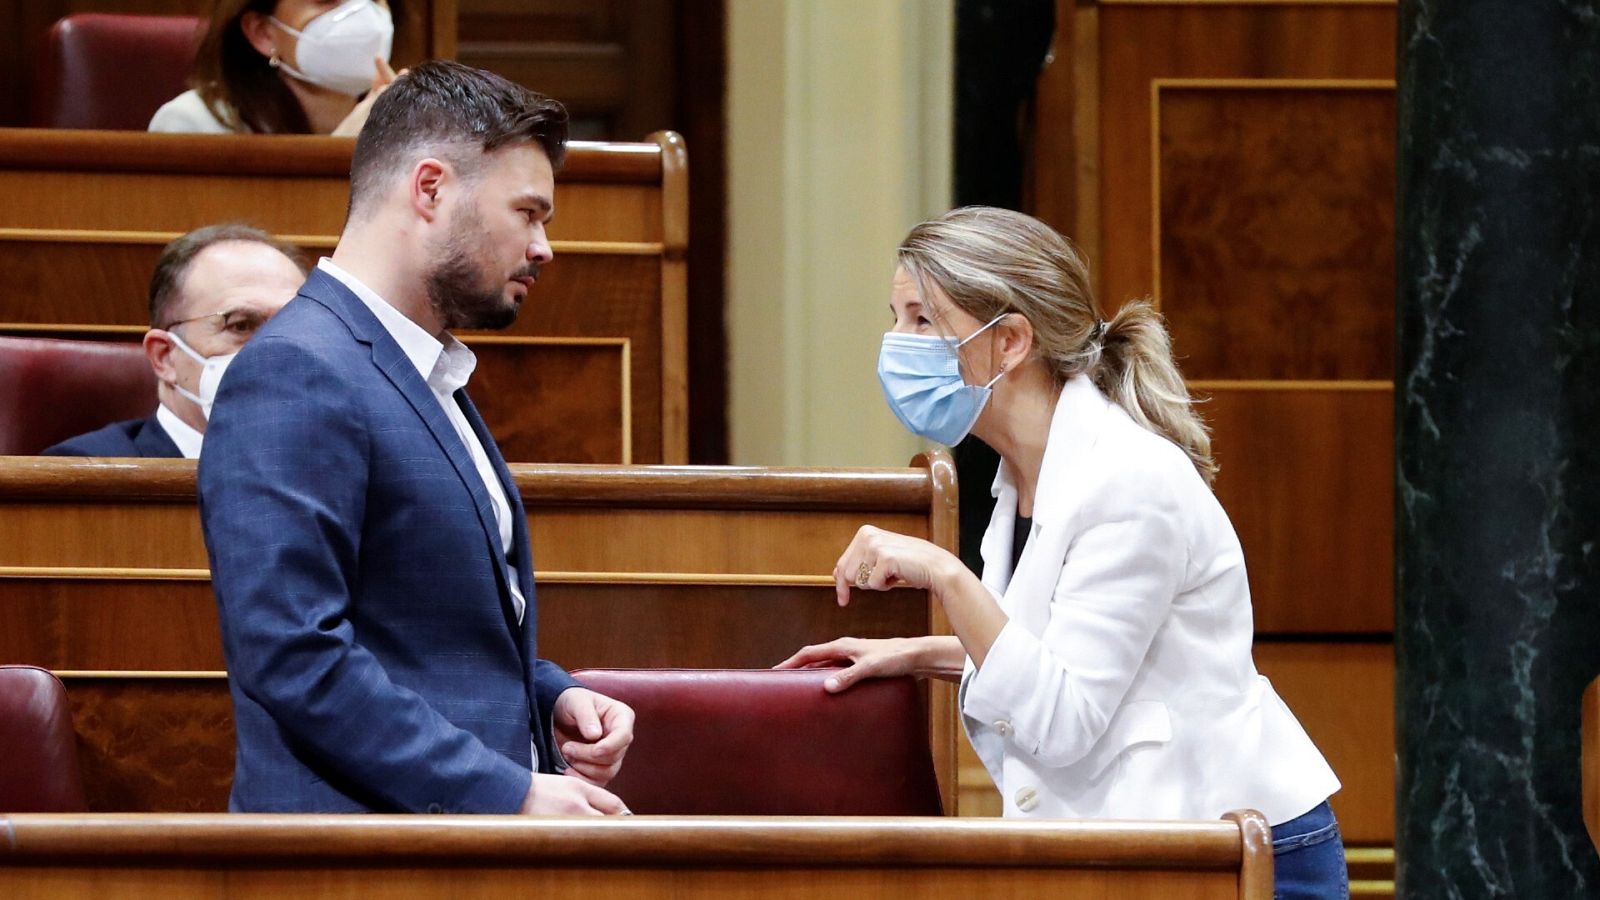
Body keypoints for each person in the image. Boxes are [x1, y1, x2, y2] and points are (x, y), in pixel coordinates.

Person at [778, 207, 1347, 897]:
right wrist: (916, 652)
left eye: (923, 321)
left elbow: (1066, 714)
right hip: (1152, 846)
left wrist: (947, 576)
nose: (897, 343)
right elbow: (1060, 649)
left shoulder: (1128, 480)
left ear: (1011, 339)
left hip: (1242, 858)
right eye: (895, 317)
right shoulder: (1024, 473)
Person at [197, 60, 634, 815]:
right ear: (429, 188)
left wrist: (550, 695)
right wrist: (509, 792)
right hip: (357, 863)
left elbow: (425, 632)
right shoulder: (297, 371)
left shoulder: (417, 368)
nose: (543, 248)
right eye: (528, 213)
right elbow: (296, 657)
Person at [43, 224, 306, 458]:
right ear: (165, 356)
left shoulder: (336, 467)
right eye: (241, 326)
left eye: (292, 324)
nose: (274, 348)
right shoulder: (86, 474)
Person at [150, 0, 400, 136]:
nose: (360, 13)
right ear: (263, 33)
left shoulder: (403, 123)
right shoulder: (192, 124)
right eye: (327, 0)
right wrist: (333, 159)